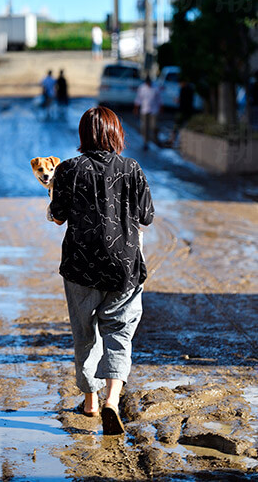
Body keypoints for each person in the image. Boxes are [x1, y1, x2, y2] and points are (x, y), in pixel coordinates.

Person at [48, 106, 154, 435]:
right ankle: (112, 400)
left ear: (83, 135)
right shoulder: (131, 168)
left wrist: (52, 191)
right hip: (124, 268)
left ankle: (91, 401)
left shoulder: (68, 169)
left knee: (85, 335)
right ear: (116, 133)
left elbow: (57, 216)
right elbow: (146, 216)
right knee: (119, 335)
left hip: (80, 266)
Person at [134, 75, 161, 150]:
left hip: (154, 110)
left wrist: (161, 107)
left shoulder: (155, 88)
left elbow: (159, 99)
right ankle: (146, 142)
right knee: (145, 127)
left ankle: (156, 139)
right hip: (144, 110)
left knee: (153, 126)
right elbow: (138, 98)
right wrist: (136, 108)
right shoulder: (142, 88)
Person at [171, 79, 194, 146]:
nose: (179, 85)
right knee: (184, 126)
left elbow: (182, 100)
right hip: (189, 111)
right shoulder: (191, 88)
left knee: (177, 126)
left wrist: (177, 100)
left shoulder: (183, 89)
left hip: (182, 111)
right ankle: (181, 141)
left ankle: (173, 140)